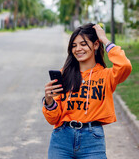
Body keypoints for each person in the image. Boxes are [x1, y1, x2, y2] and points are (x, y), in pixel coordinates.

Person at [42, 23, 132, 159]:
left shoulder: (106, 76)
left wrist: (105, 40)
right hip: (61, 139)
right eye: (74, 45)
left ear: (96, 45)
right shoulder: (64, 75)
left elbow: (124, 65)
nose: (78, 49)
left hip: (92, 141)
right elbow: (53, 119)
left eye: (83, 44)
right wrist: (49, 102)